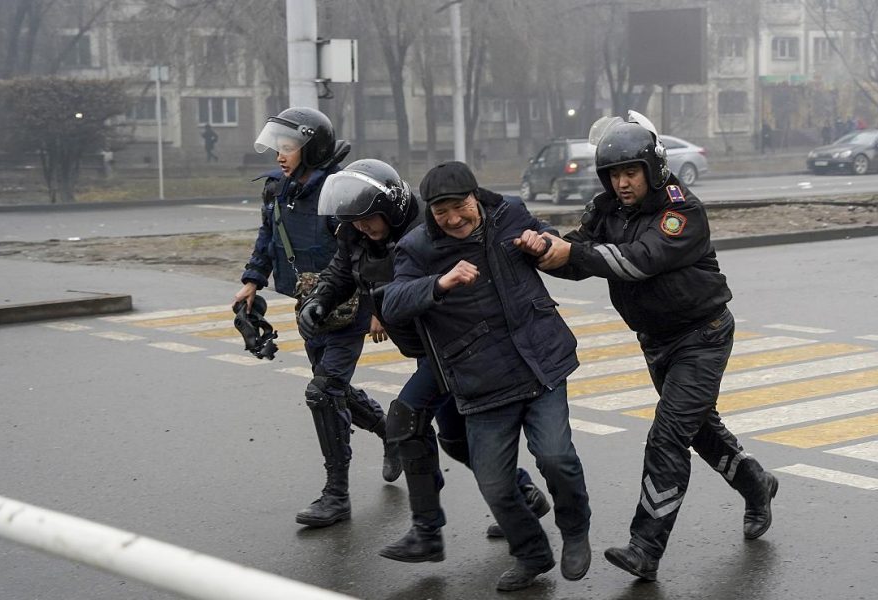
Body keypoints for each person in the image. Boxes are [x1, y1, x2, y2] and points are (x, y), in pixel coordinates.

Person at [514, 112, 779, 582]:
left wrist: (572, 252)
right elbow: (579, 255)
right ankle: (755, 483)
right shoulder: (606, 209)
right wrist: (542, 248)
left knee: (669, 435)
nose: (622, 183)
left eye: (630, 172)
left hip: (704, 335)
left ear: (652, 170)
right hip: (656, 341)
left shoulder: (682, 211)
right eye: (614, 174)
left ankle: (645, 547)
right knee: (698, 430)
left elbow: (640, 260)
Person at [300, 159, 552, 563]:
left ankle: (427, 532)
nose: (362, 227)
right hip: (427, 349)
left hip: (458, 345)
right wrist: (320, 299)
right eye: (354, 221)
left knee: (405, 419)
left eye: (368, 219)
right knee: (454, 438)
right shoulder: (355, 234)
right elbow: (342, 271)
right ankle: (523, 495)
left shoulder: (428, 231)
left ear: (393, 205)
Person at [381, 161, 592, 592]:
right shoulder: (417, 248)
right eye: (442, 212)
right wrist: (440, 283)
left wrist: (544, 242)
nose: (454, 219)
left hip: (540, 362)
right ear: (430, 213)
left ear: (476, 197)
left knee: (556, 457)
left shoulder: (510, 213)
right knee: (494, 483)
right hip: (482, 380)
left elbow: (552, 243)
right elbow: (394, 302)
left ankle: (575, 532)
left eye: (460, 206)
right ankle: (532, 553)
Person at [233, 107, 400, 529]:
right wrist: (252, 282)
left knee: (324, 392)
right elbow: (268, 237)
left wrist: (379, 307)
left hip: (352, 306)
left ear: (312, 148)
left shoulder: (339, 191)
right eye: (278, 147)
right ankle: (391, 431)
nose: (279, 156)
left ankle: (336, 495)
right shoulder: (277, 189)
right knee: (334, 389)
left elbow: (371, 249)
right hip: (310, 306)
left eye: (287, 148)